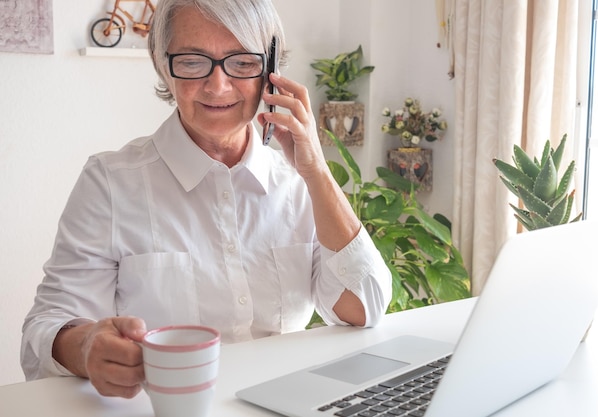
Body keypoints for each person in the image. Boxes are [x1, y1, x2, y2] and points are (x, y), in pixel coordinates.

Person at [21, 0, 391, 399]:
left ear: (270, 71)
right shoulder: (110, 183)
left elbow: (364, 307)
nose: (218, 87)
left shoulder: (298, 180)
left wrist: (317, 172)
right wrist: (87, 345)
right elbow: (45, 329)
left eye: (242, 62)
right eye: (194, 62)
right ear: (165, 66)